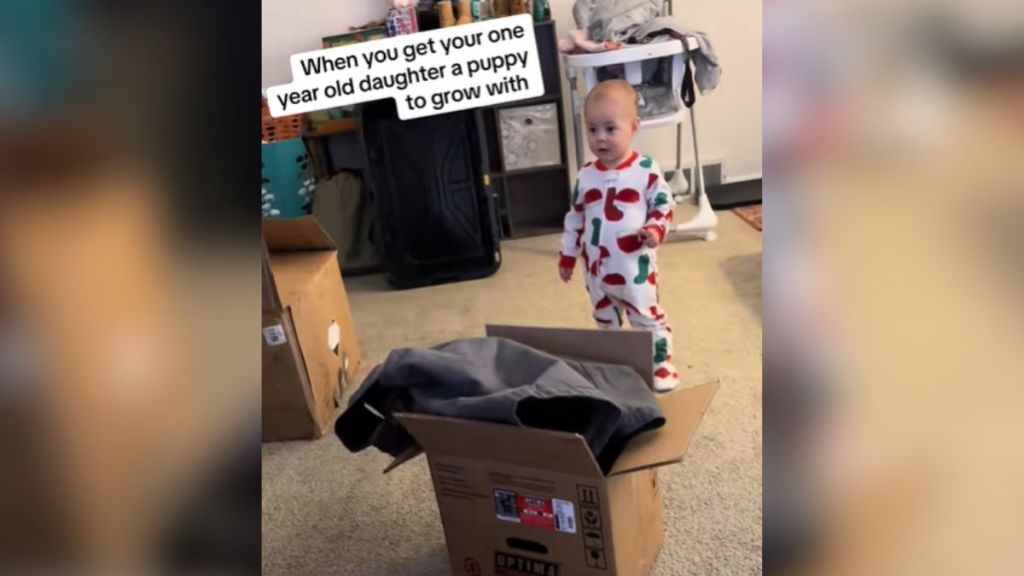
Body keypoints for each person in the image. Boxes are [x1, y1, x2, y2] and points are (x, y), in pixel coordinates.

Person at [558, 79, 679, 391]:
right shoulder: (585, 176)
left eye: (610, 129)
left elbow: (664, 204)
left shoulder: (646, 170)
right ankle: (617, 363)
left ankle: (659, 362)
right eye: (592, 129)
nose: (600, 138)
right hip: (597, 268)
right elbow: (575, 218)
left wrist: (655, 228)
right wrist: (568, 254)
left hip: (634, 265)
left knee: (646, 315)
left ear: (633, 126)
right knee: (605, 320)